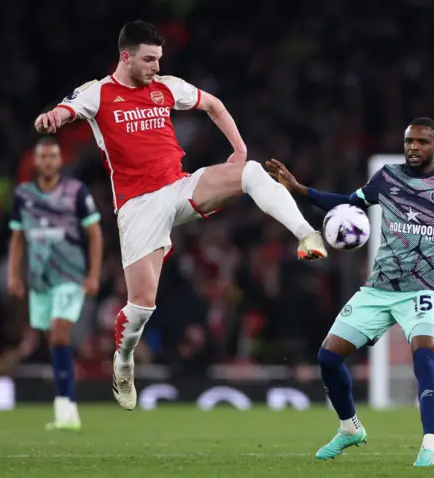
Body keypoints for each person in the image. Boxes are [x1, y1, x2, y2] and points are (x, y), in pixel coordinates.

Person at [33, 20, 327, 411]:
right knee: (141, 306)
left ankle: (307, 234)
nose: (156, 66)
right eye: (149, 59)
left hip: (180, 186)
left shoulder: (167, 86)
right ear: (126, 57)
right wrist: (52, 118)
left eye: (159, 58)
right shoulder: (98, 93)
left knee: (252, 171)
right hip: (138, 207)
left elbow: (214, 106)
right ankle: (123, 361)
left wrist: (238, 149)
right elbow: (66, 110)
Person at [266, 117, 434, 467]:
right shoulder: (386, 177)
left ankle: (430, 446)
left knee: (424, 356)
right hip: (380, 287)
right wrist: (299, 188)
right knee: (328, 358)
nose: (413, 147)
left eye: (421, 141)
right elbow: (346, 203)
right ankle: (349, 429)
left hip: (425, 288)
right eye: (408, 141)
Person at [8, 137, 103, 430]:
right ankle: (63, 403)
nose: (48, 162)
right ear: (36, 162)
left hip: (70, 275)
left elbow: (95, 233)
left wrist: (93, 274)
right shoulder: (23, 195)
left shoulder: (76, 191)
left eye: (53, 157)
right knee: (51, 337)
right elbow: (17, 236)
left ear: (60, 161)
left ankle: (67, 406)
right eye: (43, 157)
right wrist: (14, 274)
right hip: (40, 279)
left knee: (60, 333)